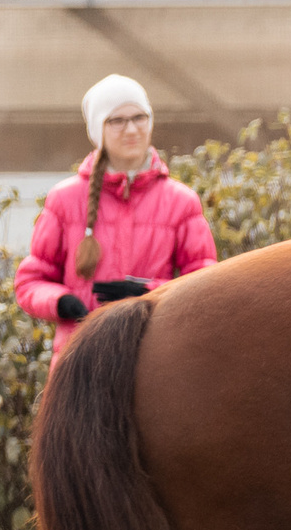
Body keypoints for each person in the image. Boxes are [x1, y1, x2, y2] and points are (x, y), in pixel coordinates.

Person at [15, 75, 218, 357]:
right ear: (98, 129)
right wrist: (61, 302)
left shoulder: (181, 202)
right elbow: (30, 282)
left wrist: (149, 293)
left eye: (139, 117)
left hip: (154, 359)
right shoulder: (64, 199)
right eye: (117, 121)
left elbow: (204, 283)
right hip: (80, 359)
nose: (131, 129)